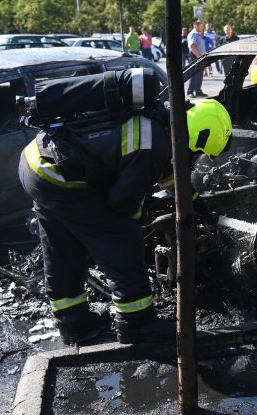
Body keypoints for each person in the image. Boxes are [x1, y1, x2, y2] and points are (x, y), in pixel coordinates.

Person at [18, 96, 233, 345]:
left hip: (36, 164)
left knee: (62, 247)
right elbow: (122, 203)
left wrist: (201, 207)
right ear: (197, 137)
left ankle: (72, 321)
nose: (194, 158)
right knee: (123, 236)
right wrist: (146, 216)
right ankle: (137, 324)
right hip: (60, 179)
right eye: (196, 152)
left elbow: (170, 177)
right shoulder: (153, 147)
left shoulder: (157, 122)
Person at [187, 21, 207, 97]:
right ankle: (190, 92)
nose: (201, 28)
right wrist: (198, 56)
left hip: (199, 56)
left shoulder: (198, 34)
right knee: (194, 74)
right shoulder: (193, 34)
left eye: (202, 26)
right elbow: (192, 46)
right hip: (195, 56)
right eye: (200, 26)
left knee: (199, 75)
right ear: (195, 26)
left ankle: (198, 91)